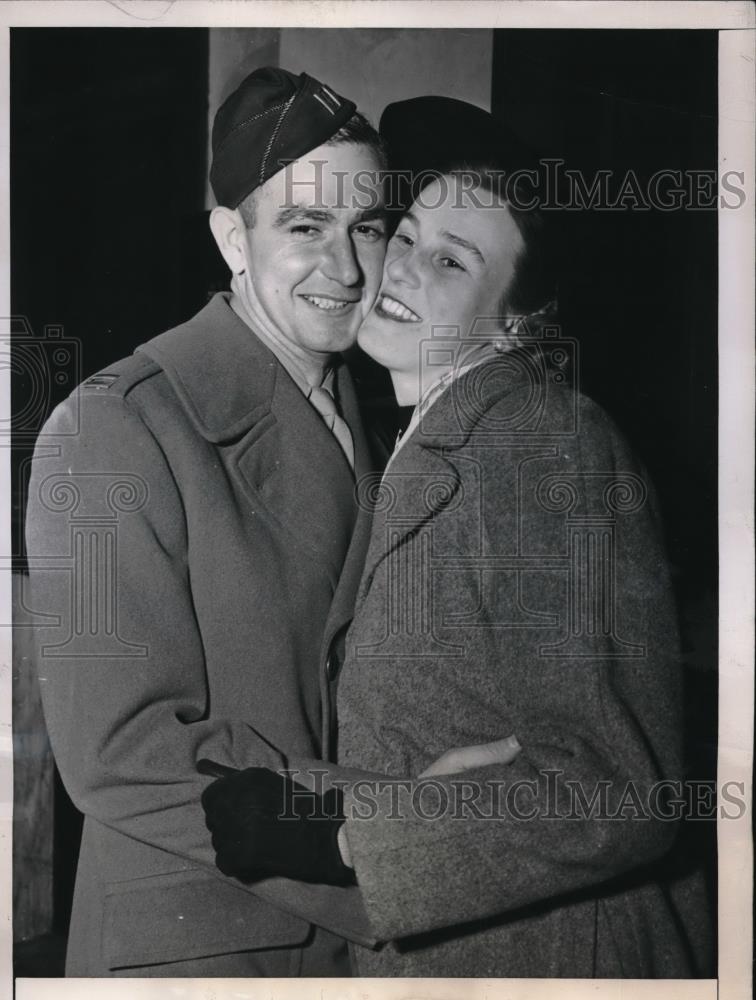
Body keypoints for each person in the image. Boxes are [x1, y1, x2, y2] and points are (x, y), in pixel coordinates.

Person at [202, 97, 711, 977]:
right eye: (403, 236)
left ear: (515, 320)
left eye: (451, 260)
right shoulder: (434, 440)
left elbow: (619, 789)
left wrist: (343, 841)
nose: (400, 268)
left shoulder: (545, 440)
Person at [24, 66, 394, 978]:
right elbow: (121, 751)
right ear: (234, 238)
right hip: (210, 949)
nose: (346, 268)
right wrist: (397, 834)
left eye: (369, 228)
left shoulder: (381, 412)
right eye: (305, 228)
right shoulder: (111, 426)